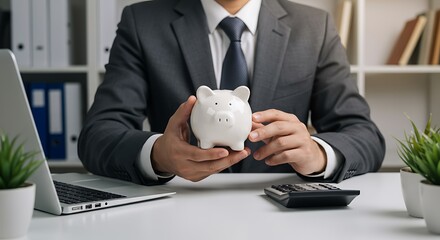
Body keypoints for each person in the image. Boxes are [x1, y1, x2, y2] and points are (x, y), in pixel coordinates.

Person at [78, 0, 385, 186]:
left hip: (283, 219)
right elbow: (97, 135)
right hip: (176, 212)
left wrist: (317, 155)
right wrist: (158, 155)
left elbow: (365, 136)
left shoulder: (314, 27)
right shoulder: (142, 23)